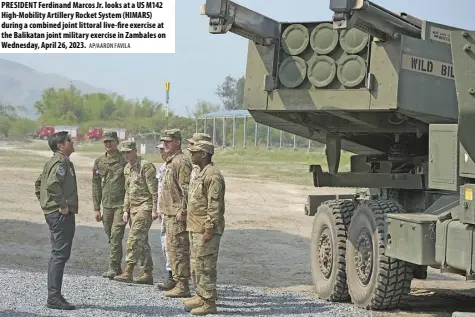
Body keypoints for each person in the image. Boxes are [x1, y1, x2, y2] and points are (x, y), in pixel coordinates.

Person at [34, 131, 78, 310]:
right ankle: (54, 298)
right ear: (61, 145)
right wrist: (60, 205)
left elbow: (39, 184)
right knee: (60, 255)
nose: (72, 142)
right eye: (69, 140)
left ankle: (54, 295)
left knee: (57, 254)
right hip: (61, 214)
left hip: (54, 212)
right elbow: (51, 184)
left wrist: (45, 203)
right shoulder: (60, 162)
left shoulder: (54, 161)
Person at [184, 140, 226, 315]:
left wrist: (209, 228)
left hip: (206, 229)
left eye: (194, 152)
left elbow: (214, 206)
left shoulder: (212, 175)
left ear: (204, 154)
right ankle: (200, 295)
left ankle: (209, 302)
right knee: (197, 265)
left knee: (206, 266)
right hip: (195, 226)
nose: (191, 155)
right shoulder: (200, 172)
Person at [113, 140, 159, 284]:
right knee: (142, 241)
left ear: (135, 151)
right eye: (124, 152)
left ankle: (128, 271)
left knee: (133, 238)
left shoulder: (146, 166)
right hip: (133, 208)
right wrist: (126, 209)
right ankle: (147, 273)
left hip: (145, 207)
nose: (126, 155)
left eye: (128, 152)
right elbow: (127, 190)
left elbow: (154, 190)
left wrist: (155, 209)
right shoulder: (127, 168)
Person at [160, 128, 193, 297]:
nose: (165, 144)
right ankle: (177, 281)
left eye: (168, 141)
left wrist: (184, 210)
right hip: (169, 213)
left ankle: (183, 286)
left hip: (178, 214)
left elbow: (187, 189)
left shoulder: (181, 162)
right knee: (172, 249)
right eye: (164, 141)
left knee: (179, 249)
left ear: (177, 142)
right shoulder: (170, 161)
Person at [92, 131, 128, 279]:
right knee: (110, 236)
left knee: (116, 235)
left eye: (111, 141)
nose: (108, 144)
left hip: (121, 204)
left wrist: (129, 206)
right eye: (106, 141)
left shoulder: (124, 160)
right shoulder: (99, 162)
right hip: (106, 205)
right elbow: (95, 184)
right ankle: (117, 266)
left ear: (117, 142)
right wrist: (96, 207)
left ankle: (113, 267)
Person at [155, 142, 175, 291]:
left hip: (174, 212)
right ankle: (171, 275)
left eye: (163, 149)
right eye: (160, 150)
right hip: (164, 212)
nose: (161, 152)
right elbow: (160, 190)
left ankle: (174, 278)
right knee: (165, 244)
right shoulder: (163, 168)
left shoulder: (177, 165)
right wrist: (158, 209)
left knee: (173, 245)